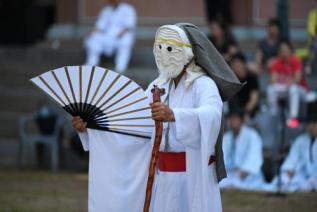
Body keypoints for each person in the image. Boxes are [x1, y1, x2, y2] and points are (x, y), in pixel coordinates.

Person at [73, 23, 243, 212]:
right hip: (162, 180)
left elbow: (212, 114)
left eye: (170, 48)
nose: (164, 55)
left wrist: (174, 115)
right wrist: (91, 128)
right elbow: (135, 126)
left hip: (193, 177)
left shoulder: (203, 85)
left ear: (186, 52)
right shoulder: (157, 85)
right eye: (159, 48)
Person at [266, 102, 317, 192]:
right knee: (284, 177)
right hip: (302, 177)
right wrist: (289, 169)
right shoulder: (301, 140)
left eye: (314, 124)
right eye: (309, 124)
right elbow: (293, 158)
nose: (311, 127)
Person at [85, 0, 136, 73]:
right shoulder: (106, 10)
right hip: (107, 36)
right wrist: (92, 32)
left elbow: (129, 25)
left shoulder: (128, 9)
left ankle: (120, 67)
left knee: (126, 39)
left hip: (120, 36)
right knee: (94, 38)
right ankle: (91, 64)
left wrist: (120, 34)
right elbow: (100, 26)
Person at [220, 109, 265, 190]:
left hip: (248, 174)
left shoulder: (252, 135)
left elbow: (254, 156)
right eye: (230, 119)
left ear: (241, 120)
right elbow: (222, 158)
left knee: (237, 183)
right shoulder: (226, 137)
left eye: (234, 119)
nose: (231, 121)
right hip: (231, 173)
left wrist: (243, 172)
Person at [267, 40, 308, 128]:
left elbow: (297, 79)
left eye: (286, 49)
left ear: (290, 50)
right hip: (285, 88)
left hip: (300, 89)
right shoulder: (277, 63)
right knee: (271, 88)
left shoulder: (295, 60)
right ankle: (274, 111)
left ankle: (293, 117)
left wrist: (288, 83)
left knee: (293, 89)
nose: (284, 52)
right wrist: (285, 85)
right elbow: (273, 81)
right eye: (281, 50)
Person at [229, 53, 260, 119]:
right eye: (234, 65)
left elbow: (254, 99)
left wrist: (245, 112)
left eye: (238, 65)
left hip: (249, 112)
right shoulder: (231, 80)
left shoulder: (252, 78)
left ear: (244, 64)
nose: (236, 67)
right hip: (234, 112)